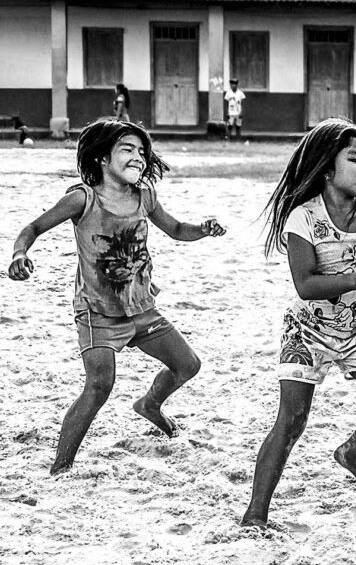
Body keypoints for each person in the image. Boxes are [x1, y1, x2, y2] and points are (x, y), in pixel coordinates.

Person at [7, 118, 226, 475]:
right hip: (98, 314)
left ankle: (150, 405)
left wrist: (202, 230)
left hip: (141, 309)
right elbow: (31, 228)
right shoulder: (83, 199)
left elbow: (176, 229)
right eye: (128, 149)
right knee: (99, 386)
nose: (139, 157)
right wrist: (20, 254)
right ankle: (60, 468)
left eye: (142, 151)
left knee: (188, 365)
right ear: (103, 158)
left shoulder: (145, 197)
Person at [242, 118, 356, 528]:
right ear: (326, 168)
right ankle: (255, 516)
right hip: (307, 331)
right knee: (291, 421)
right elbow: (305, 284)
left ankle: (353, 451)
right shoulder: (303, 219)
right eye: (355, 158)